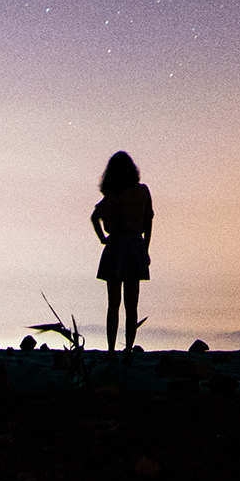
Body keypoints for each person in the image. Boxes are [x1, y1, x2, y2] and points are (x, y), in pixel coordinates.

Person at [91, 151, 153, 353]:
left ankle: (111, 349)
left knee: (113, 304)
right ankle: (127, 348)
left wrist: (102, 238)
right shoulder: (142, 191)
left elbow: (94, 217)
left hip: (116, 247)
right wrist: (145, 248)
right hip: (134, 246)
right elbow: (149, 222)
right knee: (131, 304)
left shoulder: (111, 196)